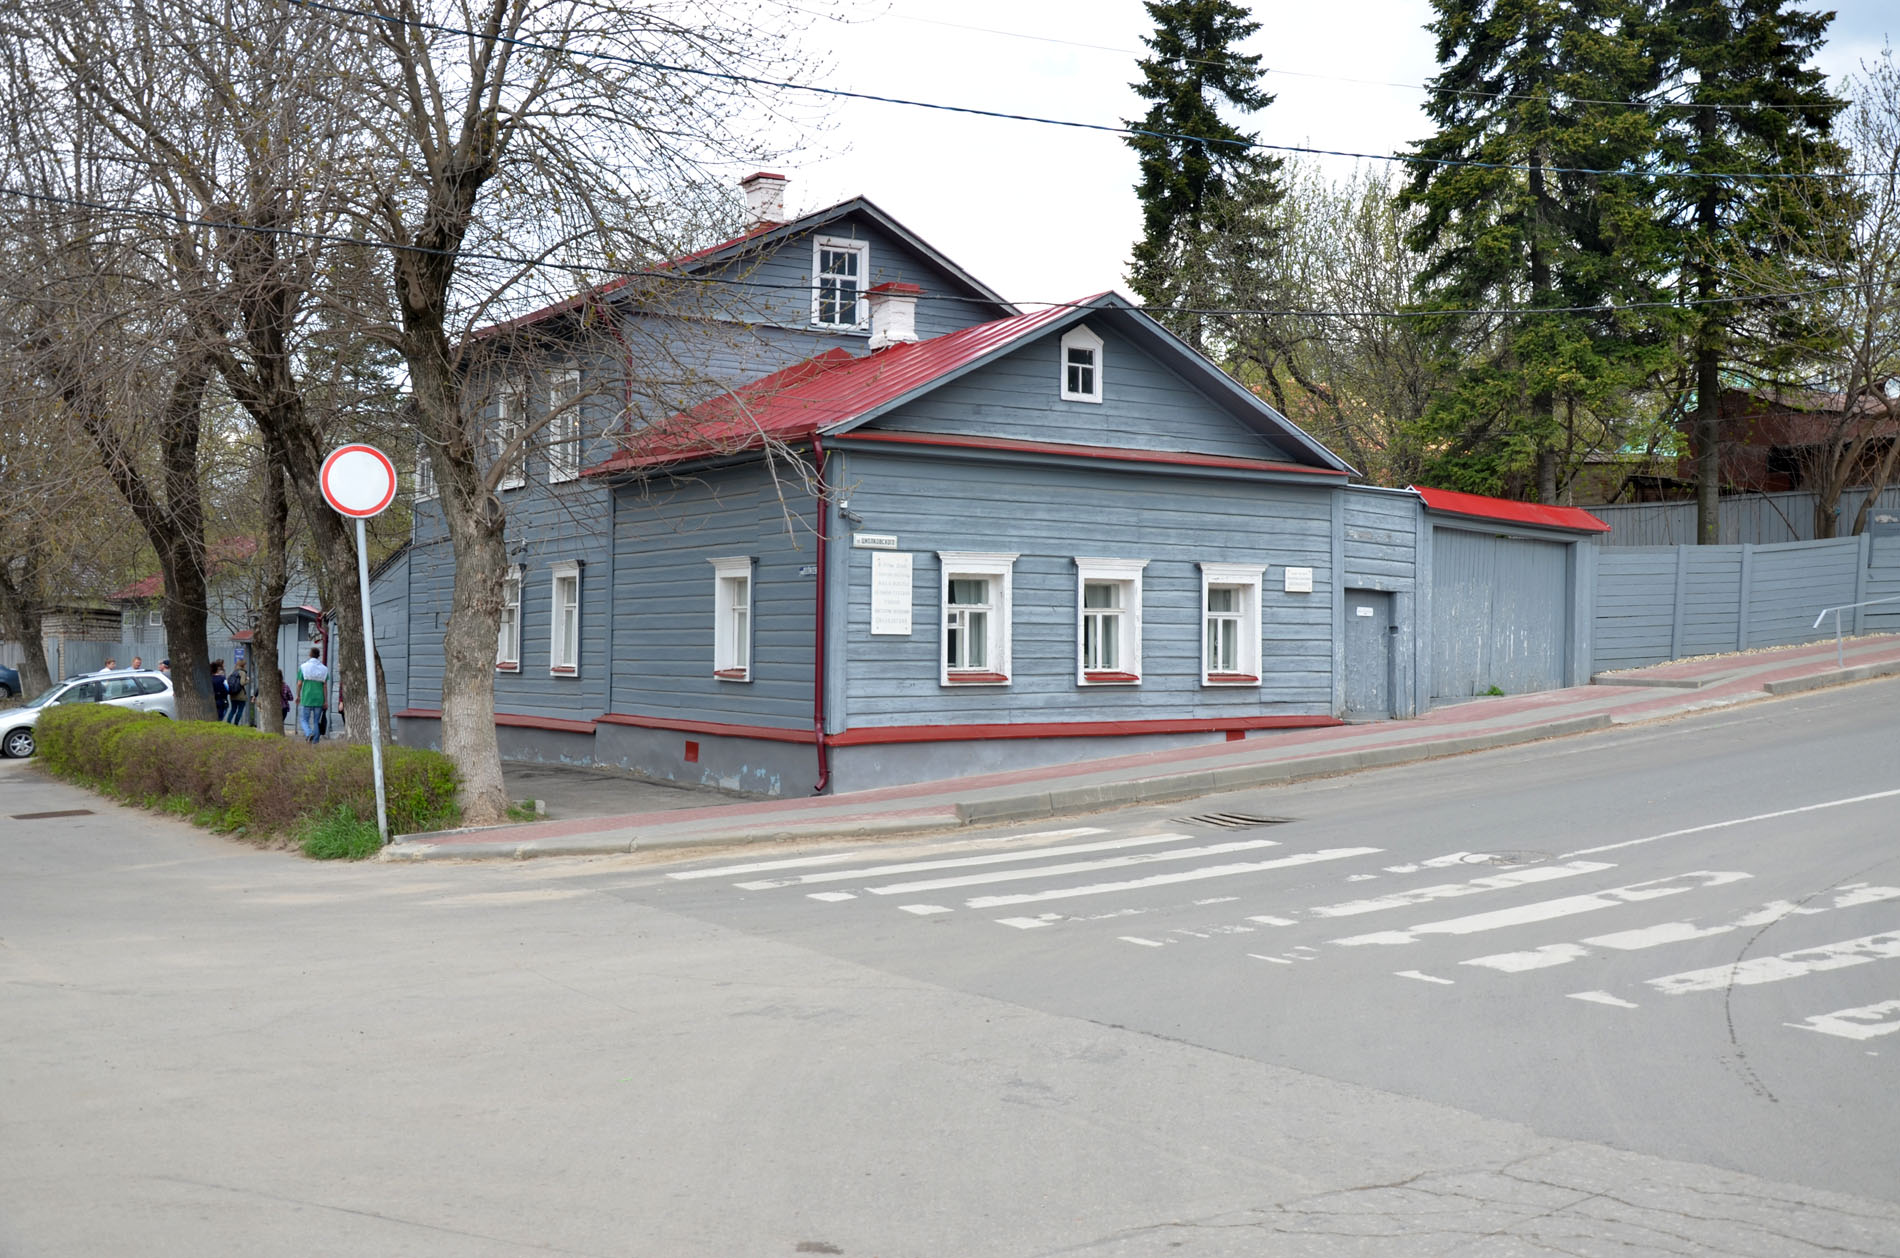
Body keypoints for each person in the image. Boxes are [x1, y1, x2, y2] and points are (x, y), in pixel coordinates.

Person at [297, 648, 329, 744]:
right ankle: (315, 743)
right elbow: (325, 686)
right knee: (316, 721)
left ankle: (308, 733)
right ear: (318, 655)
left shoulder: (303, 667)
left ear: (310, 655)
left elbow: (299, 683)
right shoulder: (324, 669)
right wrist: (325, 701)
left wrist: (298, 695)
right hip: (319, 699)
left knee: (304, 719)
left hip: (307, 697)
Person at [224, 661, 250, 726]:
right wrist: (247, 680)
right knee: (240, 711)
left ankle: (228, 723)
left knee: (233, 710)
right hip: (241, 696)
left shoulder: (233, 672)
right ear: (243, 666)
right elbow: (242, 683)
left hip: (233, 695)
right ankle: (236, 724)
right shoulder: (242, 672)